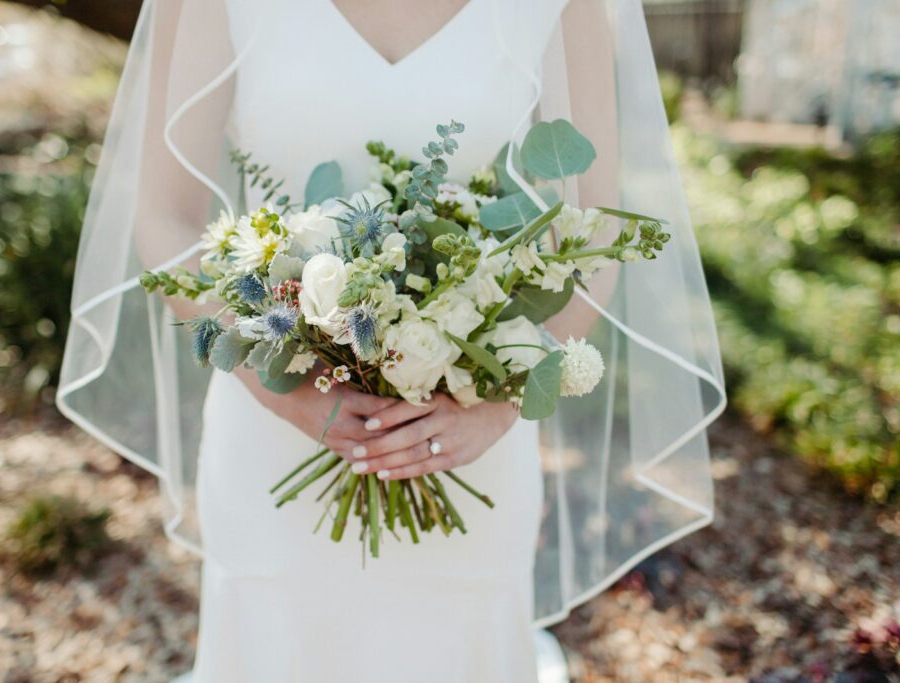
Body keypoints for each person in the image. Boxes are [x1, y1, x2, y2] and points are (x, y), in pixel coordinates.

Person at [58, 1, 726, 680]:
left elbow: (595, 238)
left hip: (470, 441)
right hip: (272, 432)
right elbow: (166, 219)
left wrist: (498, 404)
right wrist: (280, 385)